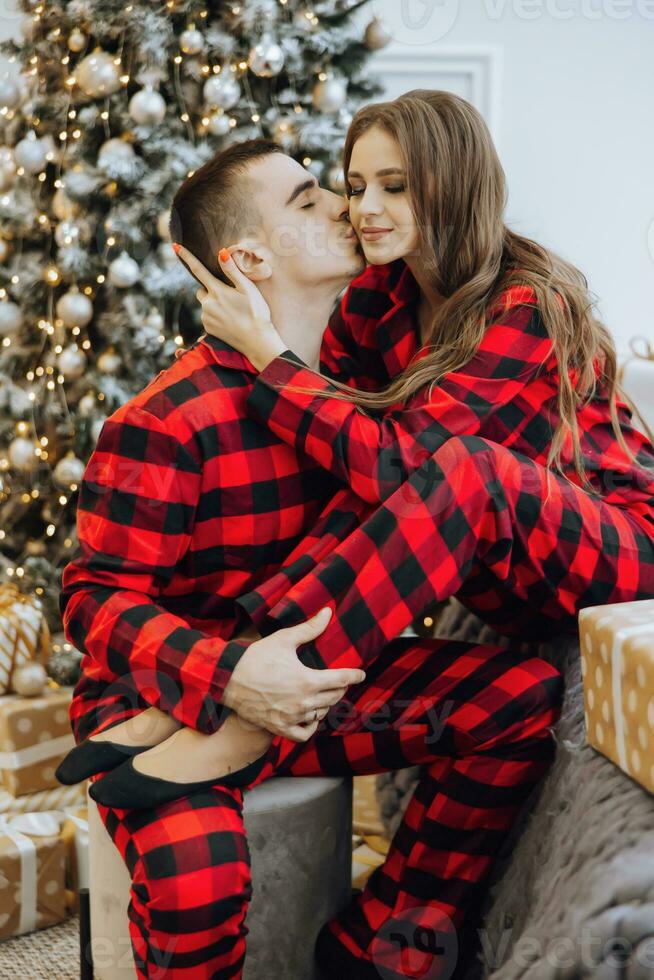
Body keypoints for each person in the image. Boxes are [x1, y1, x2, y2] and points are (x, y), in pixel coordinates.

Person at [56, 134, 563, 980]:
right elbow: (91, 600)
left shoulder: (357, 394)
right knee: (197, 881)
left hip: (322, 692)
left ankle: (377, 946)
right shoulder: (170, 415)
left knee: (522, 698)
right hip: (167, 706)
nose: (345, 206)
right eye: (308, 199)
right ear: (247, 256)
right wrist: (227, 676)